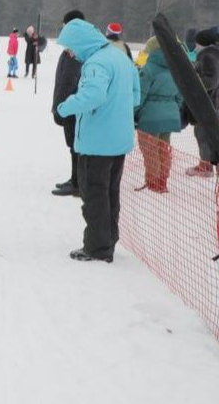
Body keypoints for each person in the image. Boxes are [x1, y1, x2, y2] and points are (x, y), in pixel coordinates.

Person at [55, 18, 141, 263]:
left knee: (94, 196)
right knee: (110, 194)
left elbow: (92, 96)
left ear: (81, 43)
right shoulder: (121, 58)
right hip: (118, 140)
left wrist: (64, 107)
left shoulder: (96, 63)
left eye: (71, 47)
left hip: (97, 143)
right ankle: (108, 238)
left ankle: (97, 248)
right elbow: (135, 97)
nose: (70, 53)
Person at [134, 36, 183, 193]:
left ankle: (153, 182)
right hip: (170, 114)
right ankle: (162, 180)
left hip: (150, 117)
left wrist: (133, 114)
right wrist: (172, 108)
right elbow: (180, 96)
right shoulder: (175, 68)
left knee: (150, 150)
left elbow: (140, 95)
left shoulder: (148, 69)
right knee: (164, 148)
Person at [51, 10, 87, 197]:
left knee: (76, 146)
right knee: (72, 146)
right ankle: (75, 179)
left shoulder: (79, 50)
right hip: (66, 104)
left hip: (72, 107)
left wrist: (62, 107)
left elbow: (71, 81)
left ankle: (78, 183)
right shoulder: (70, 48)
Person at [188, 28, 219, 175]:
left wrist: (193, 82)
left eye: (197, 42)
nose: (195, 45)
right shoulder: (213, 54)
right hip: (214, 104)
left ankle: (205, 166)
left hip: (208, 104)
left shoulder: (208, 56)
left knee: (202, 134)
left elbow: (210, 81)